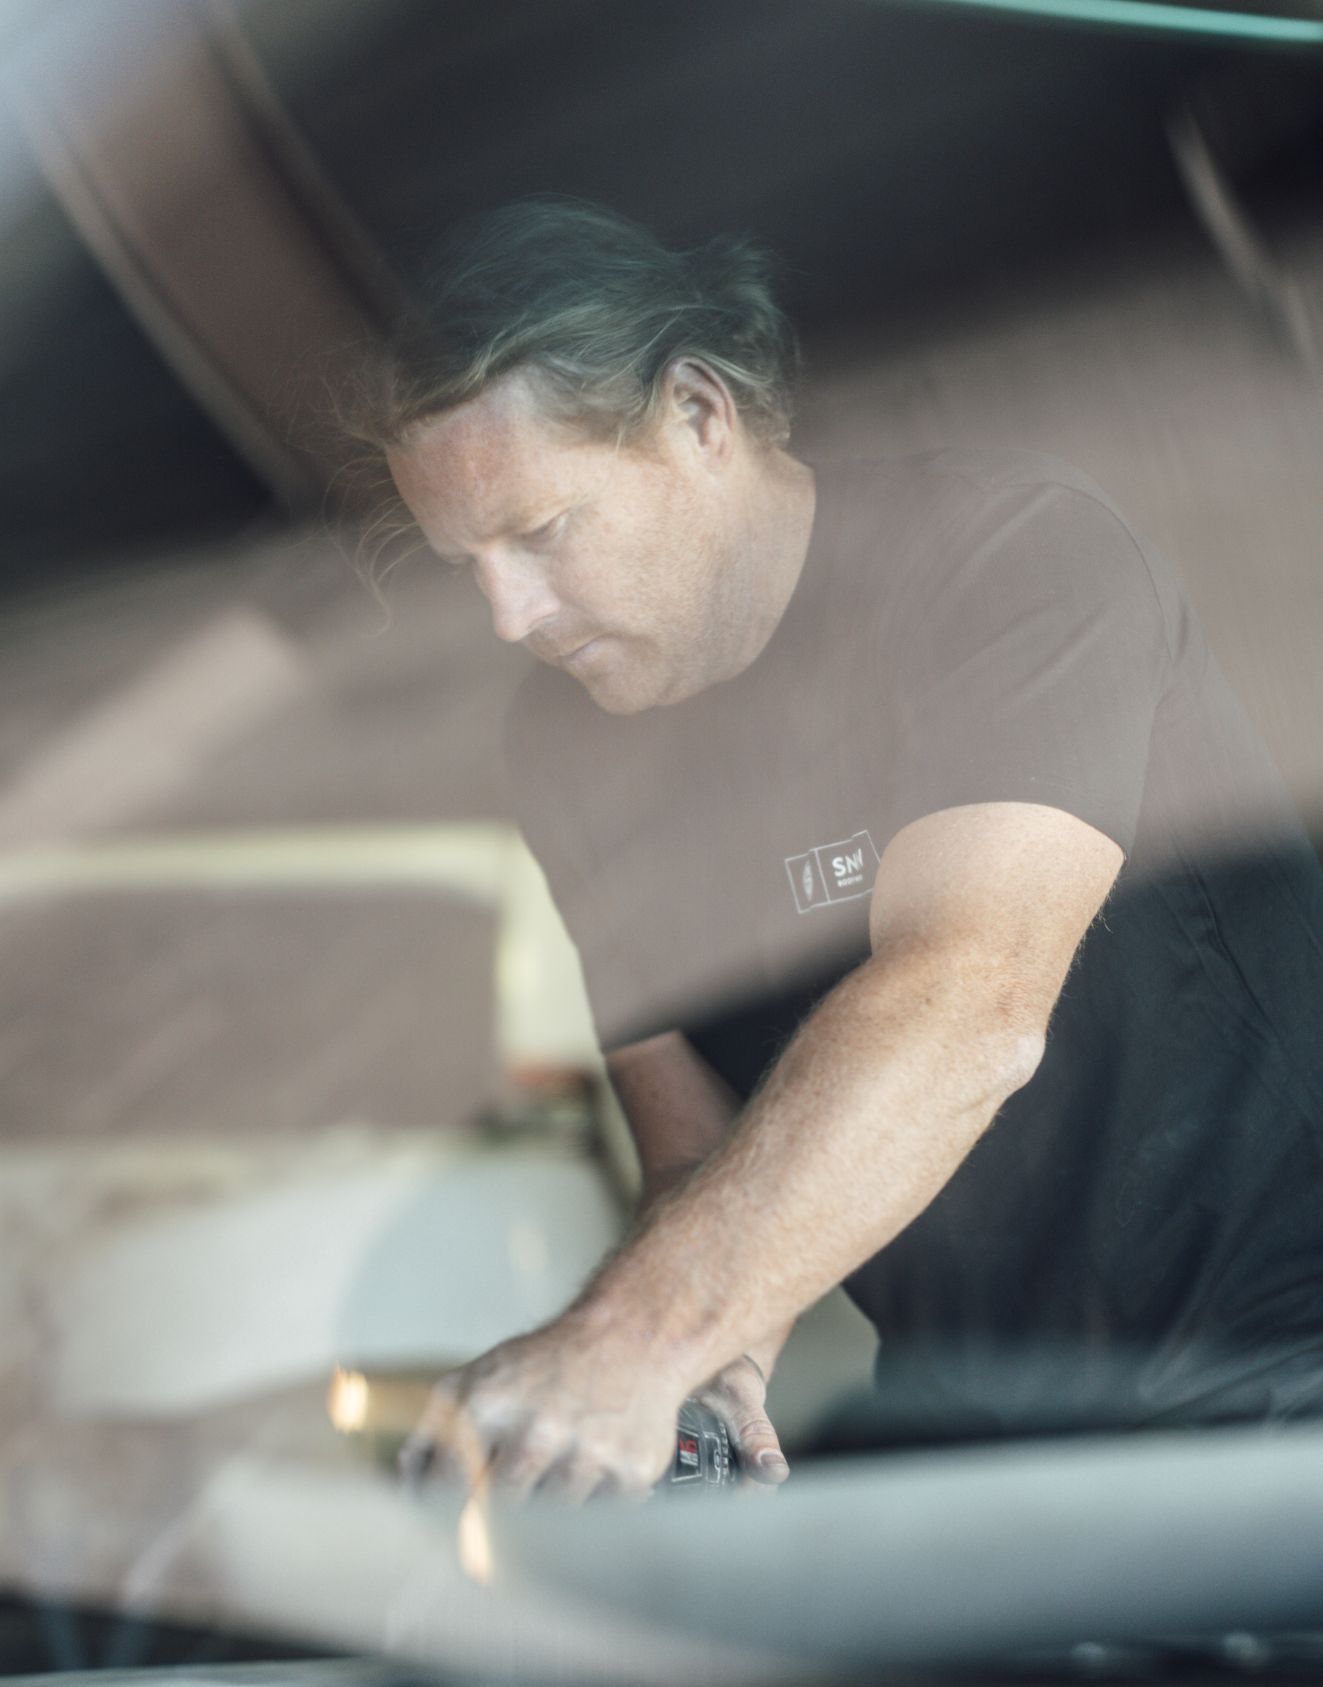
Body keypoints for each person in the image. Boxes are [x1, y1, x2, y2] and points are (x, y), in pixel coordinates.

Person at [367, 197, 1323, 1501]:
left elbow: (968, 1002)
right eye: (461, 563)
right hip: (984, 1406)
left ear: (699, 419)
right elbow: (696, 1155)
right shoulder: (565, 747)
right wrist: (700, 1389)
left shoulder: (1008, 561)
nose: (507, 614)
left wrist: (632, 1341)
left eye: (540, 534)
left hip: (1284, 1368)